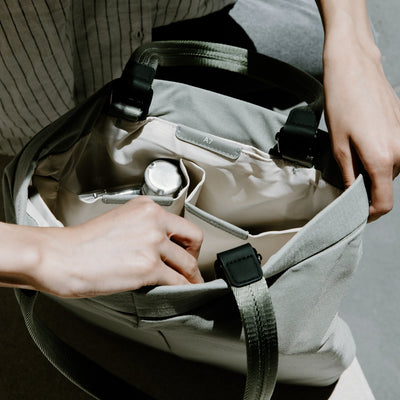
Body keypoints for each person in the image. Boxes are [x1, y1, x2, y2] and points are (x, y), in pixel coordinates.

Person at [0, 0, 399, 298]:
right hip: (38, 73)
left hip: (168, 11)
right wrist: (50, 254)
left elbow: (347, 39)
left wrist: (354, 48)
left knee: (319, 38)